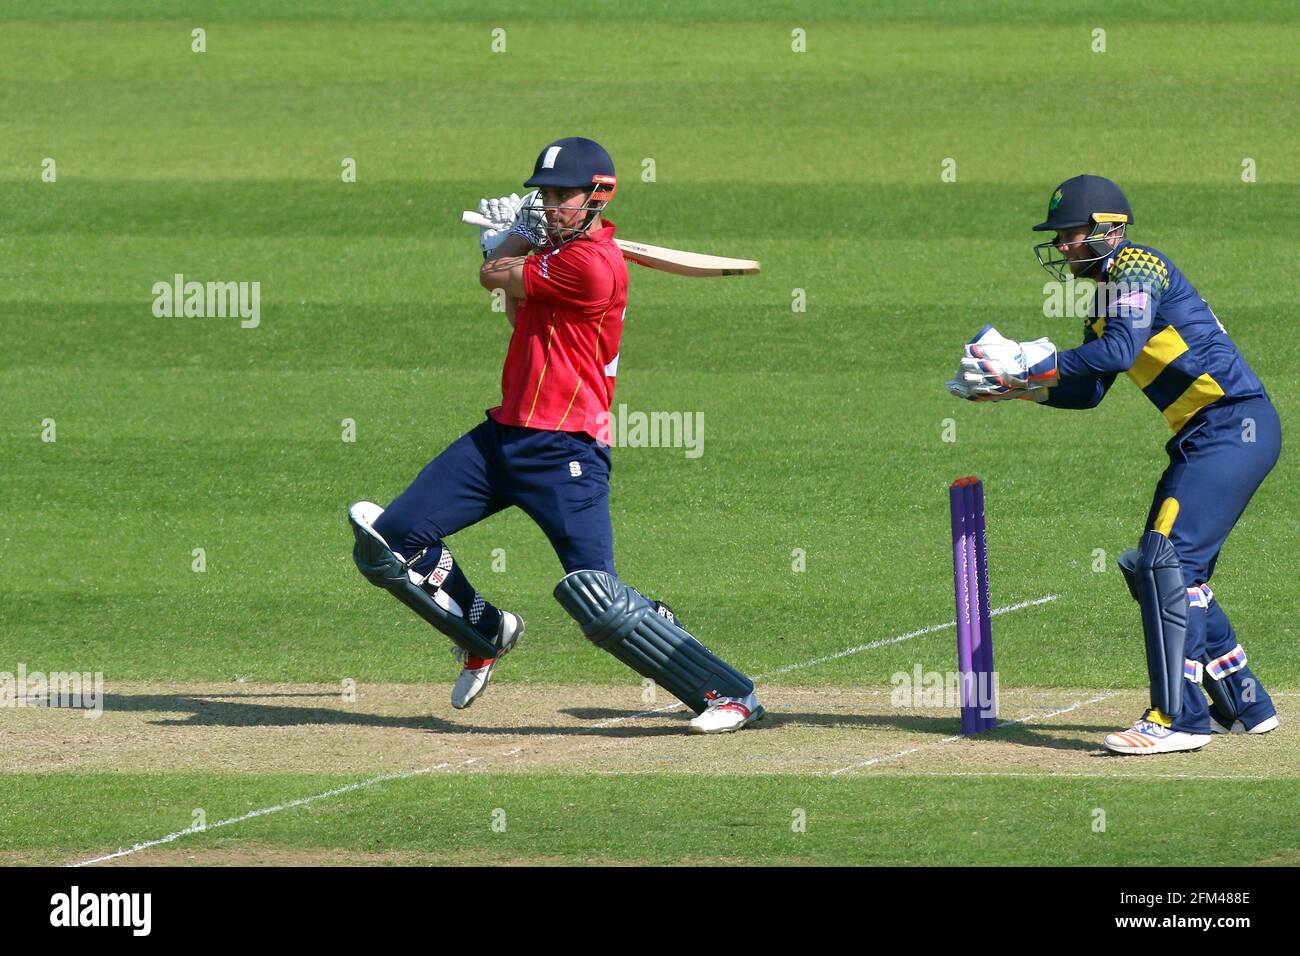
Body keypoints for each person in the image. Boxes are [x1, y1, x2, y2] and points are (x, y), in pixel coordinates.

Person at [347, 136, 764, 734]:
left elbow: (493, 275)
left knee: (601, 603)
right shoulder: (561, 255)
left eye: (561, 195)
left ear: (597, 196)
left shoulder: (591, 265)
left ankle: (728, 693)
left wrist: (511, 238)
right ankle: (482, 629)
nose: (548, 204)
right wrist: (521, 241)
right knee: (390, 542)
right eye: (541, 195)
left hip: (566, 449)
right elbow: (516, 303)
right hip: (501, 439)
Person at [948, 174, 1281, 755]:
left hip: (1233, 426)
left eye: (1072, 234)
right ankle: (1244, 699)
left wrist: (1028, 360)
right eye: (1060, 237)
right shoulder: (1106, 294)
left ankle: (1178, 718)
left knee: (1164, 561)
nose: (1063, 246)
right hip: (1209, 434)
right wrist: (1016, 390)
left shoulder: (1139, 269)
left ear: (1109, 228)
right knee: (1157, 567)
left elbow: (1121, 351)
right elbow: (1093, 387)